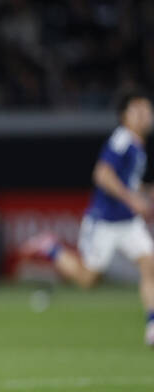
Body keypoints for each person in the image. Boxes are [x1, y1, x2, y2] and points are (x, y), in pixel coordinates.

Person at [22, 89, 154, 345]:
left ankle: (152, 324)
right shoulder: (122, 140)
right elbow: (102, 175)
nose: (144, 115)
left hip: (128, 223)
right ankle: (50, 247)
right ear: (124, 116)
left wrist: (146, 192)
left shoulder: (138, 146)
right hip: (104, 222)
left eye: (146, 110)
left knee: (149, 263)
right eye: (137, 110)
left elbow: (128, 181)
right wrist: (132, 199)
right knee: (88, 280)